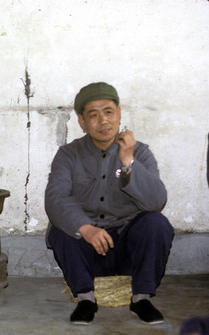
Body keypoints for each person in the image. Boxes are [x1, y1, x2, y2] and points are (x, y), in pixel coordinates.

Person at [45, 82, 174, 325]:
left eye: (108, 112)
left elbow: (157, 201)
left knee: (156, 223)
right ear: (82, 121)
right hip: (86, 249)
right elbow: (55, 198)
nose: (103, 121)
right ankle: (85, 299)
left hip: (127, 248)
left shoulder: (140, 152)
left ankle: (141, 298)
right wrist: (86, 228)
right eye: (93, 115)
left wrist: (128, 163)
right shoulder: (68, 154)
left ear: (119, 113)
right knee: (60, 229)